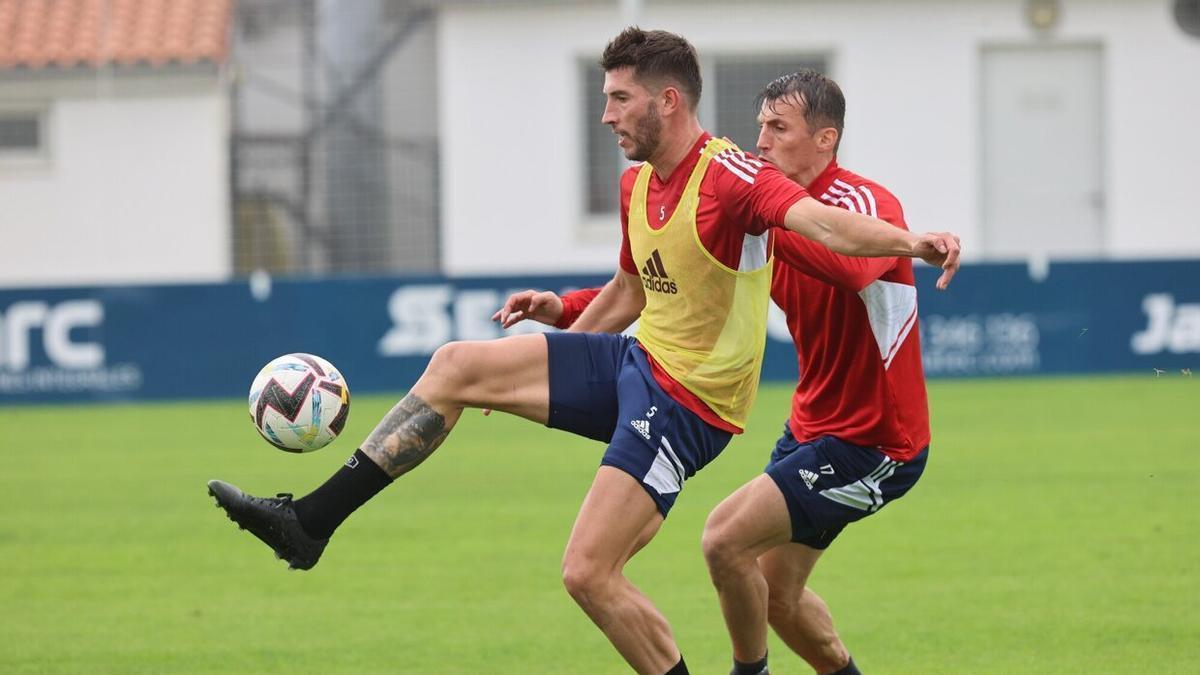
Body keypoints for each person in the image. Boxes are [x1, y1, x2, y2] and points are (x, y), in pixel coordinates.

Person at [208, 29, 958, 675]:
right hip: (642, 364)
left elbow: (823, 226)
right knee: (456, 366)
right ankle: (308, 523)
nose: (605, 115)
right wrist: (560, 318)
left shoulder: (733, 178)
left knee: (590, 573)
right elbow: (633, 292)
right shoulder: (638, 187)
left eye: (619, 99)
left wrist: (911, 242)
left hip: (690, 403)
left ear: (668, 100)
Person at [497, 70, 934, 675]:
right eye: (760, 126)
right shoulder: (767, 210)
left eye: (779, 129)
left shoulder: (860, 205)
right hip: (811, 427)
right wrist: (565, 307)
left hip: (878, 440)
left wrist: (766, 221)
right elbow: (674, 282)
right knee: (777, 598)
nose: (761, 142)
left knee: (725, 539)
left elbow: (852, 265)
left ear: (826, 140)